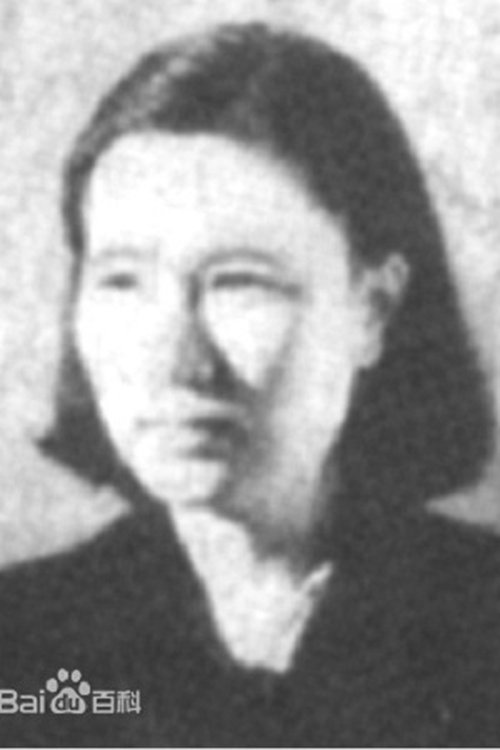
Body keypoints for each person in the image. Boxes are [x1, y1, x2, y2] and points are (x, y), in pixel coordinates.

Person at [0, 22, 499, 747]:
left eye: (239, 282)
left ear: (373, 308)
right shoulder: (22, 650)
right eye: (122, 281)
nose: (177, 361)